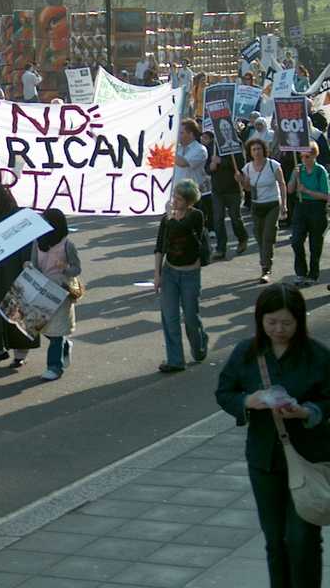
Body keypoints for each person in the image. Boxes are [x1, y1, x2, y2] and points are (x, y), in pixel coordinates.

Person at [216, 284, 330, 588]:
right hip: (264, 459)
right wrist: (247, 401)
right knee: (275, 540)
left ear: (299, 321)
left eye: (287, 323)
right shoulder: (246, 352)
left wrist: (307, 412)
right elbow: (224, 392)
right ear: (260, 320)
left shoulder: (317, 355)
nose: (279, 329)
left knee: (302, 538)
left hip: (309, 457)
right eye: (271, 322)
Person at [0, 182, 39, 368]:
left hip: (14, 269)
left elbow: (27, 241)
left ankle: (20, 354)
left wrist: (27, 263)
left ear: (2, 196)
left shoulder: (17, 215)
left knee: (16, 310)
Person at [153, 179, 208, 373]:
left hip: (190, 273)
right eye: (174, 197)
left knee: (191, 317)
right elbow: (159, 247)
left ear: (189, 201)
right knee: (170, 317)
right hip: (170, 272)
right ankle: (175, 360)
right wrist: (157, 274)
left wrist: (170, 218)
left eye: (179, 199)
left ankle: (199, 344)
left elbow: (182, 228)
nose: (174, 201)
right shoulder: (167, 219)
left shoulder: (196, 216)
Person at [31, 209, 80, 381]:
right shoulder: (37, 242)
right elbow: (34, 265)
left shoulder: (67, 245)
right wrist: (29, 268)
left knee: (57, 331)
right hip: (42, 292)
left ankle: (54, 367)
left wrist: (65, 268)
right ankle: (64, 345)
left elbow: (77, 268)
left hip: (61, 292)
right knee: (44, 329)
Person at [237, 139, 288, 283]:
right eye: (253, 149)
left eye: (259, 148)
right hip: (256, 205)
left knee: (268, 236)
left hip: (272, 204)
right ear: (250, 152)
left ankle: (266, 268)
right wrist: (241, 180)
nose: (257, 152)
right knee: (259, 237)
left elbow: (282, 184)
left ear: (264, 150)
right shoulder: (248, 167)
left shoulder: (273, 165)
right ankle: (265, 262)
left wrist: (284, 205)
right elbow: (247, 188)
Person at [288, 142, 329, 286]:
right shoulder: (299, 169)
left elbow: (326, 195)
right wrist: (294, 176)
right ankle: (300, 272)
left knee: (315, 244)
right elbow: (290, 190)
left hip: (317, 208)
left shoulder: (320, 171)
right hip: (301, 206)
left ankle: (313, 274)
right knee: (296, 241)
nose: (304, 159)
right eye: (302, 156)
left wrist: (307, 191)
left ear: (314, 155)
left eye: (307, 156)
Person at [206, 132, 249, 260]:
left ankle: (242, 238)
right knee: (218, 219)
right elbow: (206, 168)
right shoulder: (211, 146)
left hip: (233, 189)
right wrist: (210, 167)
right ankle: (220, 248)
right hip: (217, 189)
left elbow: (241, 165)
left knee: (235, 217)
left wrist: (222, 161)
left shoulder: (235, 143)